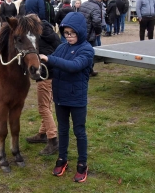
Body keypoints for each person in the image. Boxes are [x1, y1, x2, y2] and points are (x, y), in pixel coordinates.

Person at [39, 12, 94, 183]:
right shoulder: (62, 47)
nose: (69, 37)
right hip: (60, 98)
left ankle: (82, 163)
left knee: (79, 131)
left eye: (73, 33)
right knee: (63, 130)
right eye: (66, 33)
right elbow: (52, 61)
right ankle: (62, 159)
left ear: (80, 32)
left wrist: (49, 59)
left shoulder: (87, 49)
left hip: (77, 99)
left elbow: (74, 66)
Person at [25, 19, 61, 155]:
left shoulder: (36, 38)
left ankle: (53, 140)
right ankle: (42, 133)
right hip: (54, 73)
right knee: (47, 105)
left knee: (43, 108)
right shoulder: (49, 31)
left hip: (45, 75)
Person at [79, 0, 102, 76]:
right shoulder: (96, 7)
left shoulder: (84, 4)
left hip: (81, 31)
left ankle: (86, 69)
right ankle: (89, 70)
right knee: (92, 52)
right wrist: (98, 32)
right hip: (90, 33)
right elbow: (96, 21)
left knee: (82, 51)